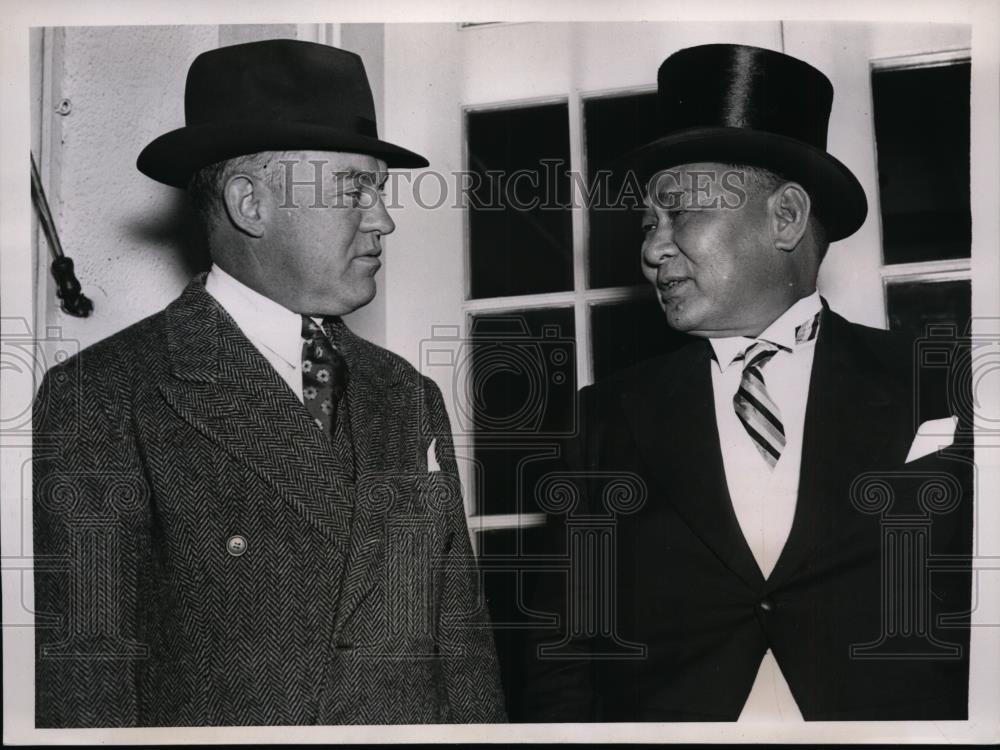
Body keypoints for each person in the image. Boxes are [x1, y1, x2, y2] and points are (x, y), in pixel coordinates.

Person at [33, 38, 506, 727]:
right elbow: (85, 688)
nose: (383, 218)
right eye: (354, 189)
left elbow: (464, 658)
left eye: (379, 189)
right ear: (250, 203)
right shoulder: (104, 398)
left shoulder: (407, 395)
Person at [522, 43, 972, 722]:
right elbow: (563, 662)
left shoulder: (946, 384)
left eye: (681, 212)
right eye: (648, 223)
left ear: (785, 218)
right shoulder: (602, 422)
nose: (651, 249)